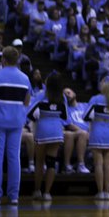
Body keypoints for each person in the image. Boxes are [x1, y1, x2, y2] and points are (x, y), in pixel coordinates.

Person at [0, 46, 32, 204]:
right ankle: (14, 196)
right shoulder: (25, 78)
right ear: (17, 60)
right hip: (16, 121)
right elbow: (26, 102)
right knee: (14, 157)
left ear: (3, 59)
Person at [28, 72, 68, 201]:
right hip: (56, 130)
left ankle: (37, 191)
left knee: (39, 162)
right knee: (51, 162)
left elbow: (30, 113)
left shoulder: (41, 95)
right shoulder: (63, 98)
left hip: (43, 130)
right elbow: (65, 117)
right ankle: (47, 193)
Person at [86, 76, 109, 199]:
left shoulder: (95, 99)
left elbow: (86, 115)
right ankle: (107, 192)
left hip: (97, 132)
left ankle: (100, 192)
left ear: (104, 85)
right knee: (108, 164)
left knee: (99, 164)